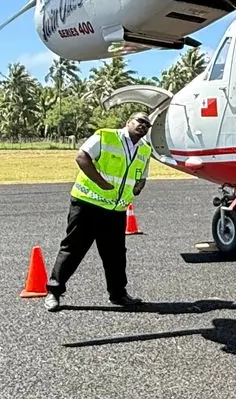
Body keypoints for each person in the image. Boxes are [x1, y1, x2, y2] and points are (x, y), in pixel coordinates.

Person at [45, 109, 155, 311]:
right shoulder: (106, 136)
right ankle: (54, 292)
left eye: (147, 125)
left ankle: (118, 294)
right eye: (140, 121)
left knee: (115, 255)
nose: (144, 126)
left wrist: (139, 186)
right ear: (129, 121)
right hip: (88, 203)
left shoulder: (145, 150)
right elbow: (81, 157)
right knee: (73, 249)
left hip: (116, 209)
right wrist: (101, 183)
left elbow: (142, 175)